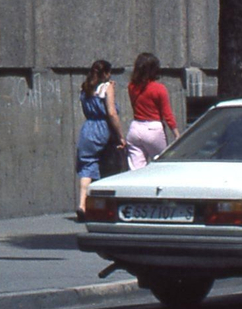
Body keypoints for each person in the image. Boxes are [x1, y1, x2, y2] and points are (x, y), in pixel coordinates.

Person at [75, 60, 124, 216]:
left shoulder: (85, 88)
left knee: (87, 168)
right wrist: (120, 136)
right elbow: (111, 113)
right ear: (106, 73)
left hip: (87, 128)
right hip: (103, 128)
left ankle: (82, 204)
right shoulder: (107, 88)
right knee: (109, 166)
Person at [122, 51, 177, 170]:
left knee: (136, 171)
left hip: (135, 128)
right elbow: (167, 115)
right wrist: (177, 135)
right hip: (153, 129)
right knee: (162, 167)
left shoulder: (131, 86)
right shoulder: (159, 89)